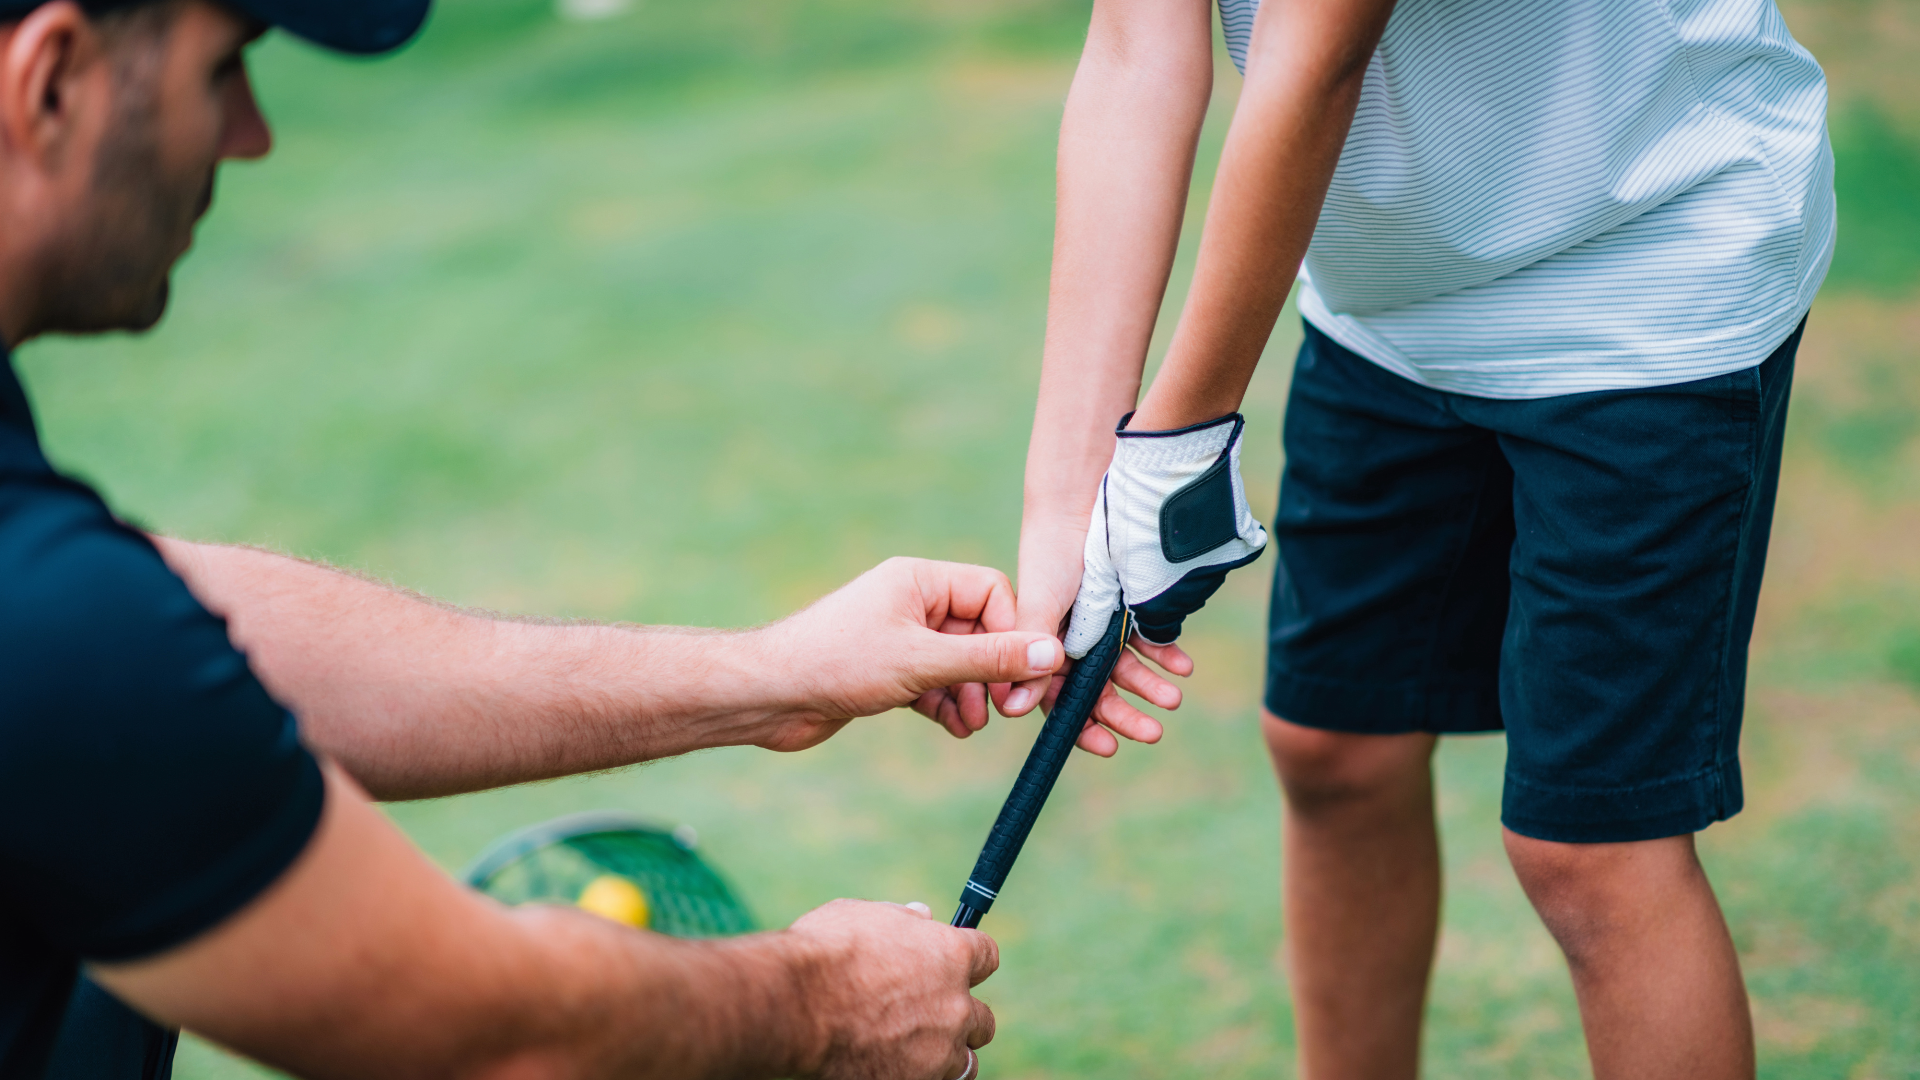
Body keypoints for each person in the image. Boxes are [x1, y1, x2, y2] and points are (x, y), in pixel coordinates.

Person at [0, 2, 1070, 1078]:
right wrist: (831, 1004)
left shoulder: (57, 588)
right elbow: (493, 1034)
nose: (252, 132)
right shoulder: (49, 612)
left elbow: (183, 627)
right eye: (222, 71)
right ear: (50, 82)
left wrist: (771, 675)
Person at [1001, 0, 1831, 1077]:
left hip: (1644, 265)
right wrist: (1064, 502)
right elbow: (1132, 54)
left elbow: (1315, 57)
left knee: (1594, 849)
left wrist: (1171, 443)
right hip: (1390, 300)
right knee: (1335, 747)